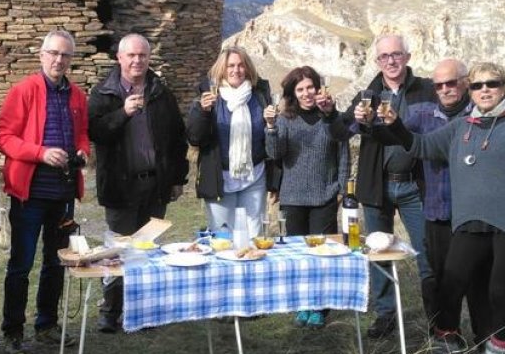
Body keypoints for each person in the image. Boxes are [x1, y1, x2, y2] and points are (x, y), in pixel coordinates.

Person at [368, 62, 505, 354]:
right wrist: (395, 125)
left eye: (492, 84)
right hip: (471, 222)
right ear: (470, 90)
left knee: (498, 290)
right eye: (477, 86)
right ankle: (447, 343)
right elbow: (421, 146)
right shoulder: (461, 127)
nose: (485, 90)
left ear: (504, 87)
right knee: (448, 283)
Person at [0, 30, 90, 354]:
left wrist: (82, 150)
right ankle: (13, 332)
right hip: (29, 193)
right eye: (53, 53)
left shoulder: (77, 95)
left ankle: (46, 325)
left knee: (55, 262)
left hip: (62, 192)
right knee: (20, 264)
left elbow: (83, 135)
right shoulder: (23, 91)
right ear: (41, 55)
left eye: (65, 55)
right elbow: (3, 137)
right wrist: (40, 152)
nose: (59, 60)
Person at [87, 33, 189, 333]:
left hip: (155, 186)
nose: (137, 61)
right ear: (119, 58)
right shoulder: (103, 93)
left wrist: (177, 178)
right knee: (118, 250)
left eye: (142, 56)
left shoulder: (160, 91)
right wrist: (123, 113)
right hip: (120, 186)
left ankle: (142, 310)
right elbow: (96, 132)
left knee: (147, 250)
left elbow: (176, 138)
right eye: (131, 56)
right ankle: (111, 311)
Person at [346, 34, 436, 339]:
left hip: (416, 186)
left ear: (407, 57)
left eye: (396, 54)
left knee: (428, 252)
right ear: (377, 61)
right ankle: (385, 314)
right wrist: (353, 119)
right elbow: (338, 130)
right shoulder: (367, 93)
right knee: (377, 251)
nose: (391, 61)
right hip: (377, 187)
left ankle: (437, 316)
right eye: (384, 57)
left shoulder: (426, 89)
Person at [398, 59, 488, 341]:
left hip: (474, 215)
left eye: (451, 83)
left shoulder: (484, 116)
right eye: (439, 85)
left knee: (478, 281)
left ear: (465, 82)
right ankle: (447, 338)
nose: (446, 89)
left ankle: (485, 340)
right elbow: (394, 131)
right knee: (441, 279)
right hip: (437, 212)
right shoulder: (422, 115)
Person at [265, 65, 353, 329]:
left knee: (323, 254)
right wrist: (270, 127)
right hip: (293, 197)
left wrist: (341, 189)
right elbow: (275, 153)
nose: (306, 93)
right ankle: (302, 302)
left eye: (310, 88)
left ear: (319, 88)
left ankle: (320, 306)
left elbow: (343, 155)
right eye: (300, 89)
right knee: (298, 255)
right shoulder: (284, 119)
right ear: (293, 93)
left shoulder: (330, 117)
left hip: (324, 195)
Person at [186, 46, 279, 237]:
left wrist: (271, 123)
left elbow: (268, 140)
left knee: (254, 236)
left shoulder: (259, 96)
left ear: (248, 68)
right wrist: (203, 113)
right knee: (223, 237)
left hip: (254, 176)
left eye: (240, 65)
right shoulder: (210, 97)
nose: (236, 70)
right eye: (230, 66)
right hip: (220, 178)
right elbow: (195, 138)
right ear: (222, 68)